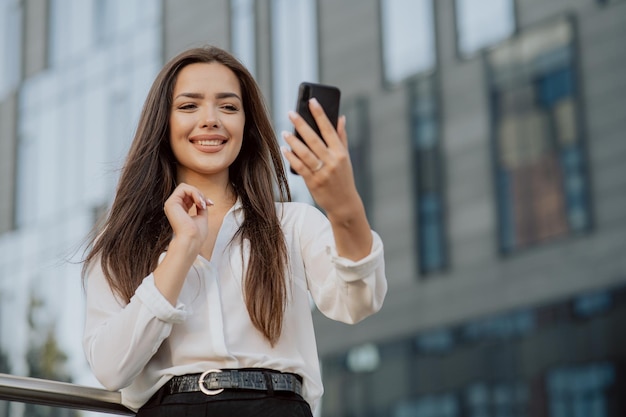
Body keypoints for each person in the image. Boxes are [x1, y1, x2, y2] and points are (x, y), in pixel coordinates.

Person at [81, 45, 387, 417]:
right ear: (163, 123)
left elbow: (358, 302)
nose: (211, 119)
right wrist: (183, 248)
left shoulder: (292, 225)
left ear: (247, 125)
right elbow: (111, 368)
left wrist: (344, 207)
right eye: (189, 106)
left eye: (228, 107)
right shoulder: (119, 242)